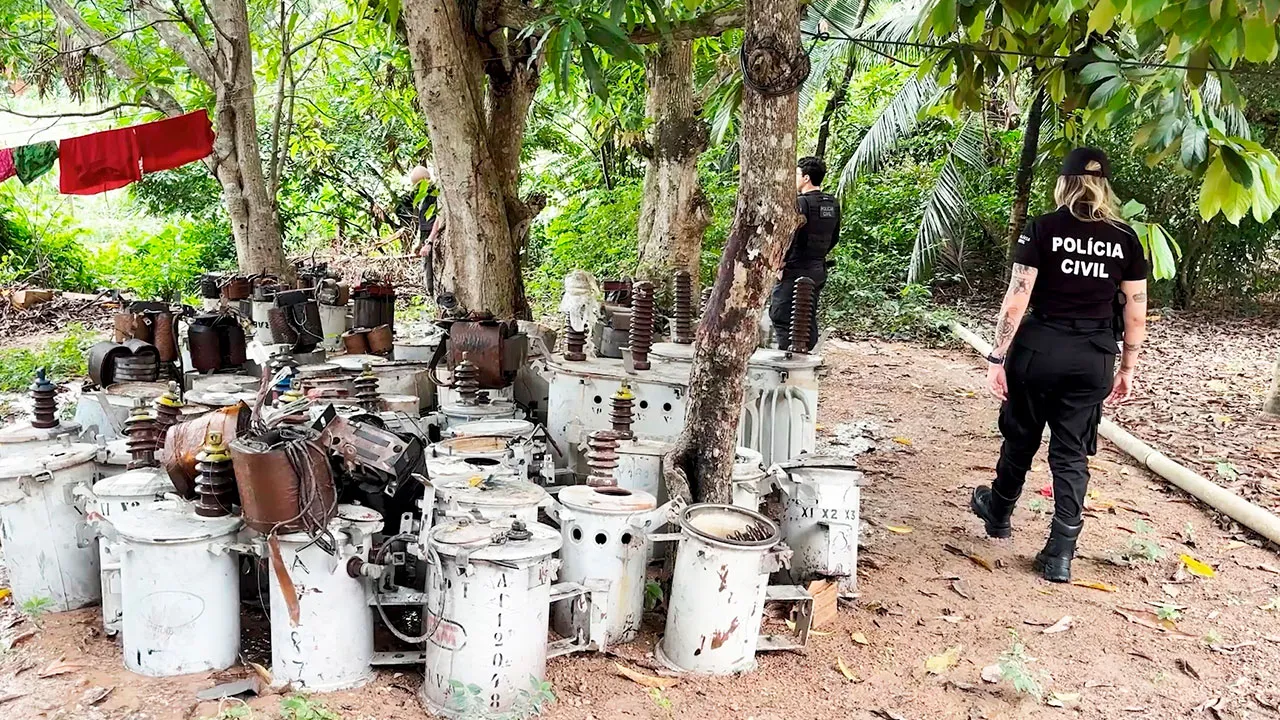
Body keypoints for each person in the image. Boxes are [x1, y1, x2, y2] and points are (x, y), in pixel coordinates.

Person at [971, 147, 1148, 583]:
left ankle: (999, 513)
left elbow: (1017, 297)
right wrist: (1127, 367)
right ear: (1104, 185)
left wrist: (997, 356)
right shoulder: (1124, 237)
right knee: (1071, 453)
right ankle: (1060, 552)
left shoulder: (1043, 228)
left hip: (1040, 350)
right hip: (1093, 356)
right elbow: (1136, 311)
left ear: (1064, 183)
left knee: (1021, 435)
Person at [770, 156, 841, 352]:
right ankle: (807, 356)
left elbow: (790, 237)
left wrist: (781, 263)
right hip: (818, 268)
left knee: (781, 314)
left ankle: (789, 360)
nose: (794, 178)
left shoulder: (800, 204)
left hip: (795, 269)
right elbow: (834, 237)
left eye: (797, 174)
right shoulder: (832, 203)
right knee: (805, 314)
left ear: (807, 178)